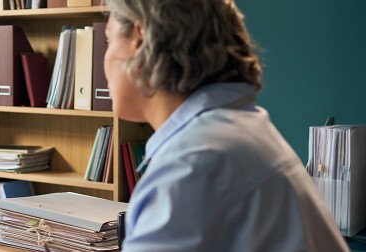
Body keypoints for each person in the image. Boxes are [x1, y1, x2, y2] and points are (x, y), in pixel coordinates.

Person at [103, 0, 348, 251]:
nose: (105, 60)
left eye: (109, 41)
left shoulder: (191, 166)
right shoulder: (239, 130)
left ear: (139, 37)